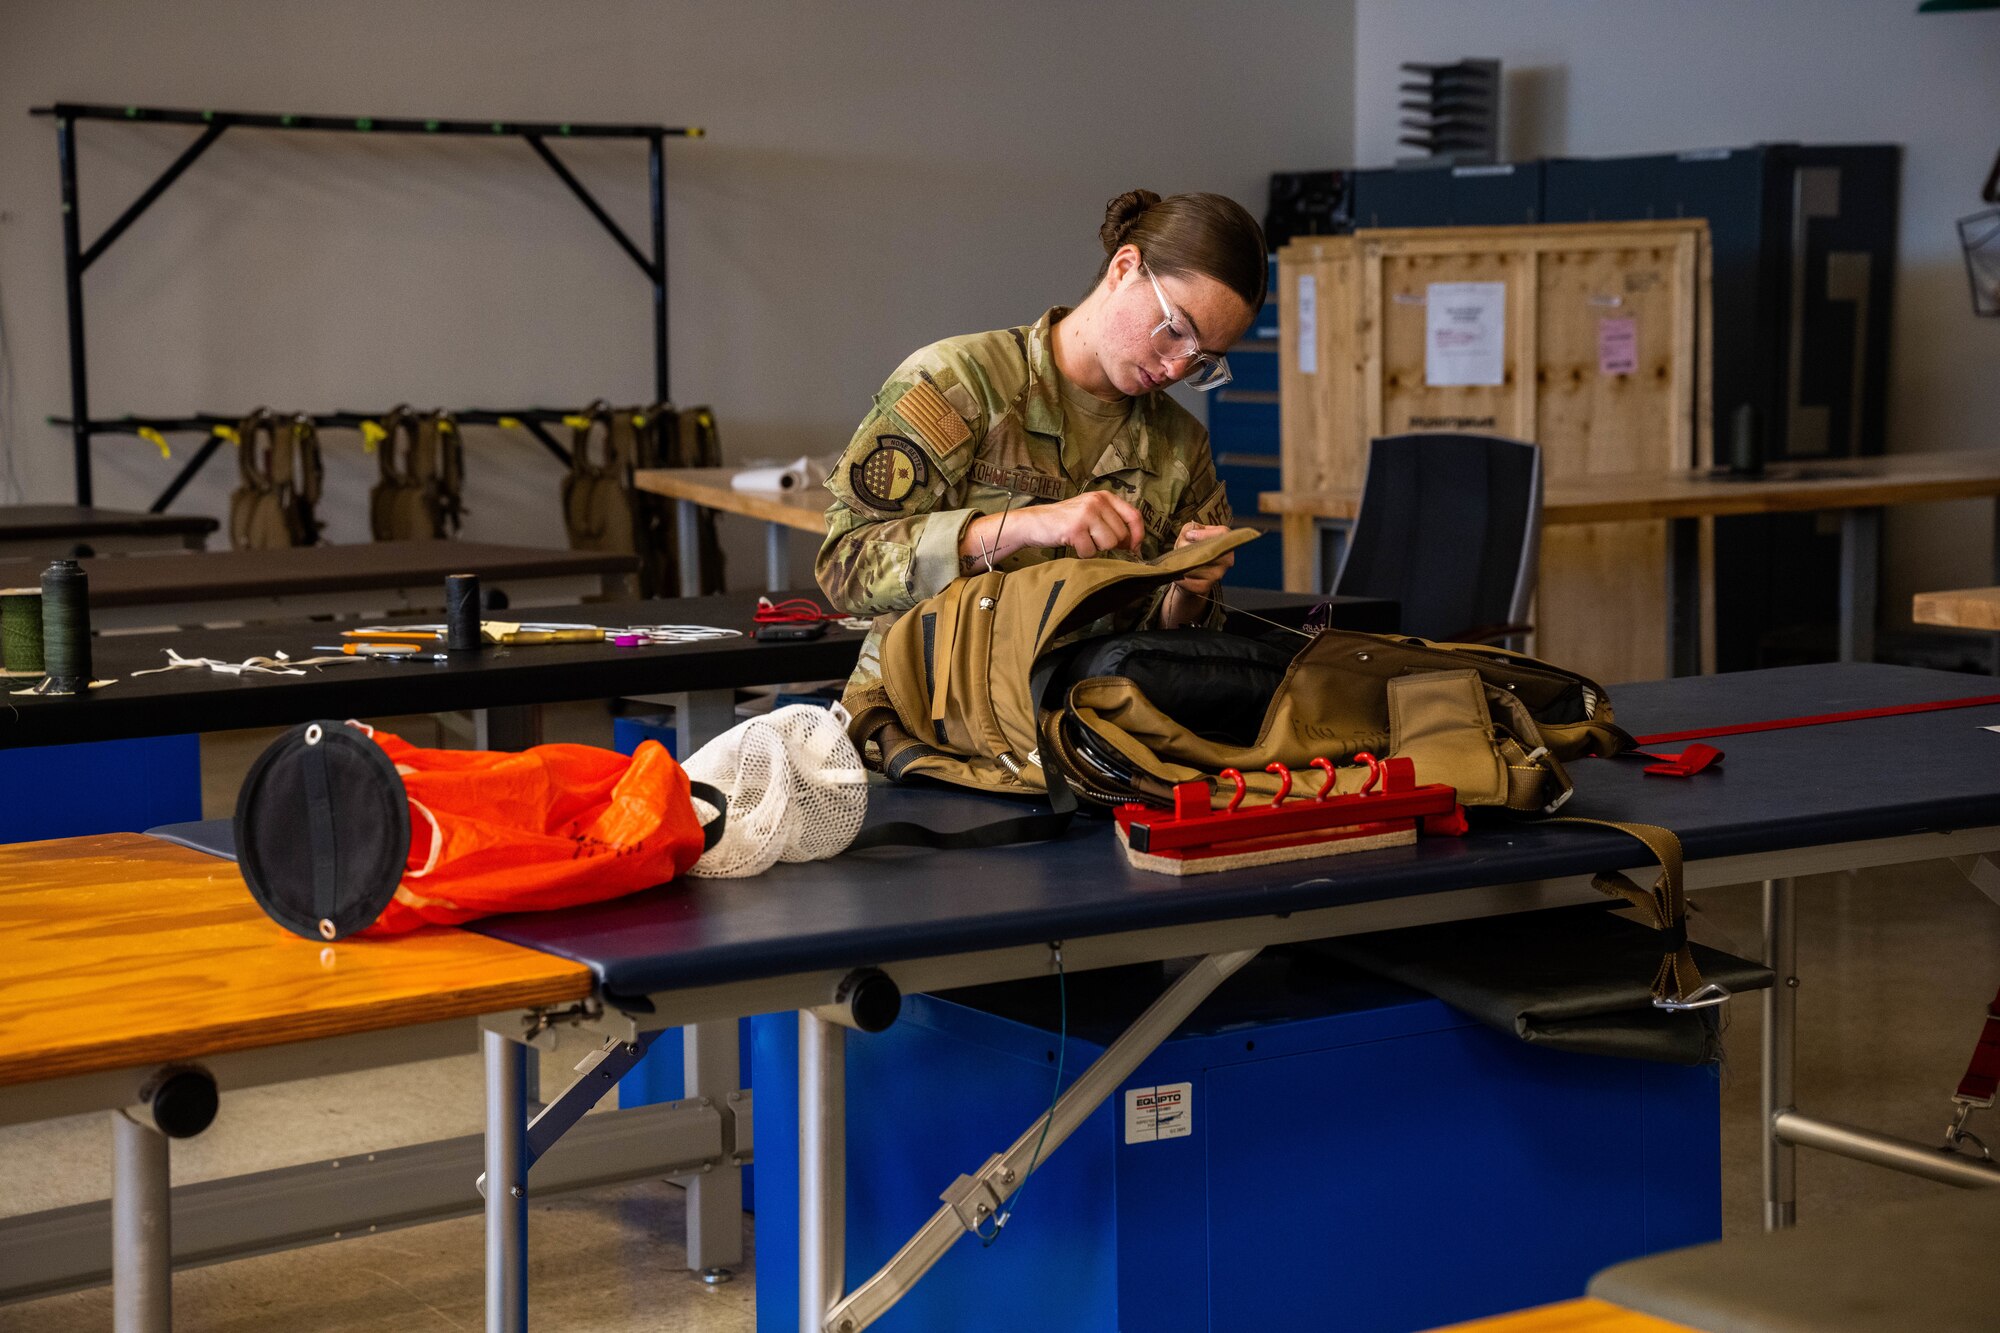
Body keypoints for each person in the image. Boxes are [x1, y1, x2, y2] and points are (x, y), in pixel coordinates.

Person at [817, 188, 1267, 700]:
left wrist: (1188, 589)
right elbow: (845, 567)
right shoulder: (963, 383)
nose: (1177, 368)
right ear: (1123, 269)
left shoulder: (1181, 447)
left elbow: (1165, 643)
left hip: (1081, 737)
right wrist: (1022, 527)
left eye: (1204, 360)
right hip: (922, 728)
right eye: (1174, 330)